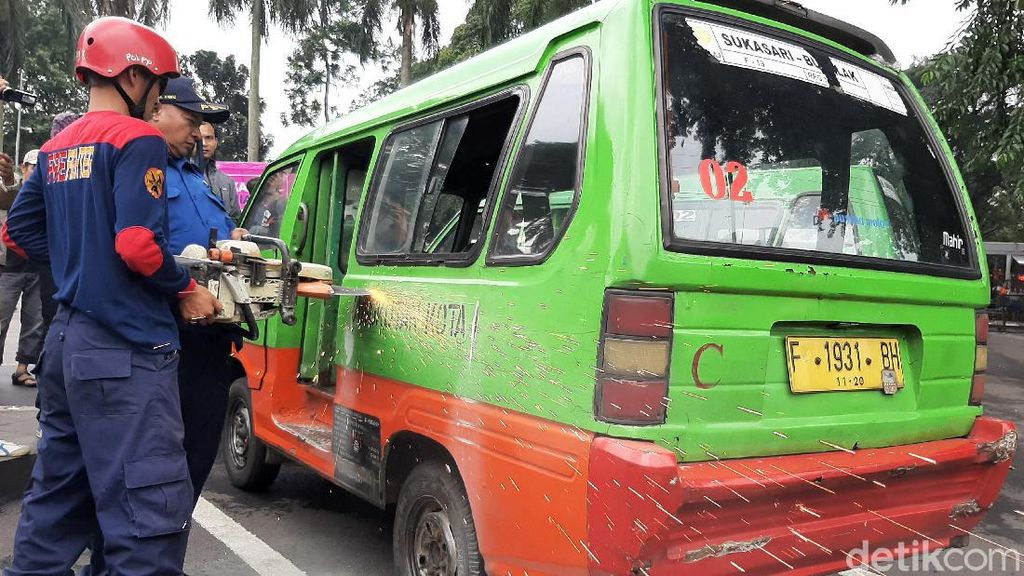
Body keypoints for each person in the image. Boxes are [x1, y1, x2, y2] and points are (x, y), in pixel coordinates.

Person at [2, 16, 220, 576]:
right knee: (149, 517)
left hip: (68, 346)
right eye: (158, 85)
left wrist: (80, 263)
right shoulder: (137, 138)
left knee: (54, 508)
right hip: (125, 351)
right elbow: (137, 245)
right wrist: (188, 288)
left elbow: (17, 232)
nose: (159, 101)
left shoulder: (56, 146)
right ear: (131, 75)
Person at [0, 149, 44, 387]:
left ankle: (22, 368)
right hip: (8, 268)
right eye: (30, 167)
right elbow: (8, 192)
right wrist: (7, 179)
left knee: (34, 321)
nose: (34, 171)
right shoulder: (15, 192)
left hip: (37, 267)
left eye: (38, 167)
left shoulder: (46, 191)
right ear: (22, 167)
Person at [198, 121, 241, 222]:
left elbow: (235, 219)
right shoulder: (182, 175)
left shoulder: (227, 181)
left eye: (209, 138)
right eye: (199, 138)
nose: (204, 143)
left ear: (216, 142)